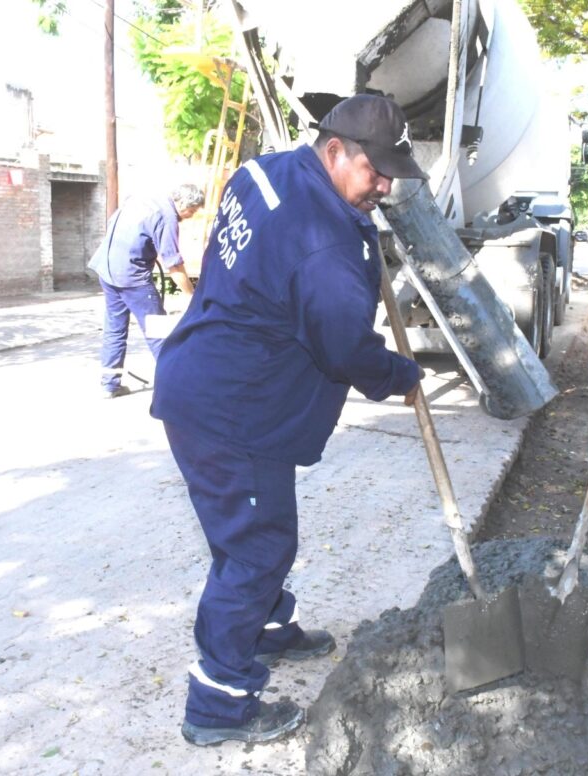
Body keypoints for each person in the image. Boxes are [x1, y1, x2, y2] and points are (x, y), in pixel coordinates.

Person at [150, 94, 425, 746]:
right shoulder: (324, 252)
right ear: (335, 150)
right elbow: (346, 350)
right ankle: (218, 704)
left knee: (248, 529)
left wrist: (359, 226)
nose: (385, 186)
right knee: (256, 548)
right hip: (233, 412)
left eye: (391, 173)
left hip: (210, 382)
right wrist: (403, 377)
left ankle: (267, 631)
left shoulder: (264, 172)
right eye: (374, 172)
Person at [88, 183, 205, 398]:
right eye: (192, 210)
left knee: (115, 328)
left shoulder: (142, 198)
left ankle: (109, 384)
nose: (190, 216)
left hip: (107, 270)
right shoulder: (166, 215)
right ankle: (175, 387)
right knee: (157, 330)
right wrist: (191, 295)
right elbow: (173, 263)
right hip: (131, 277)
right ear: (182, 203)